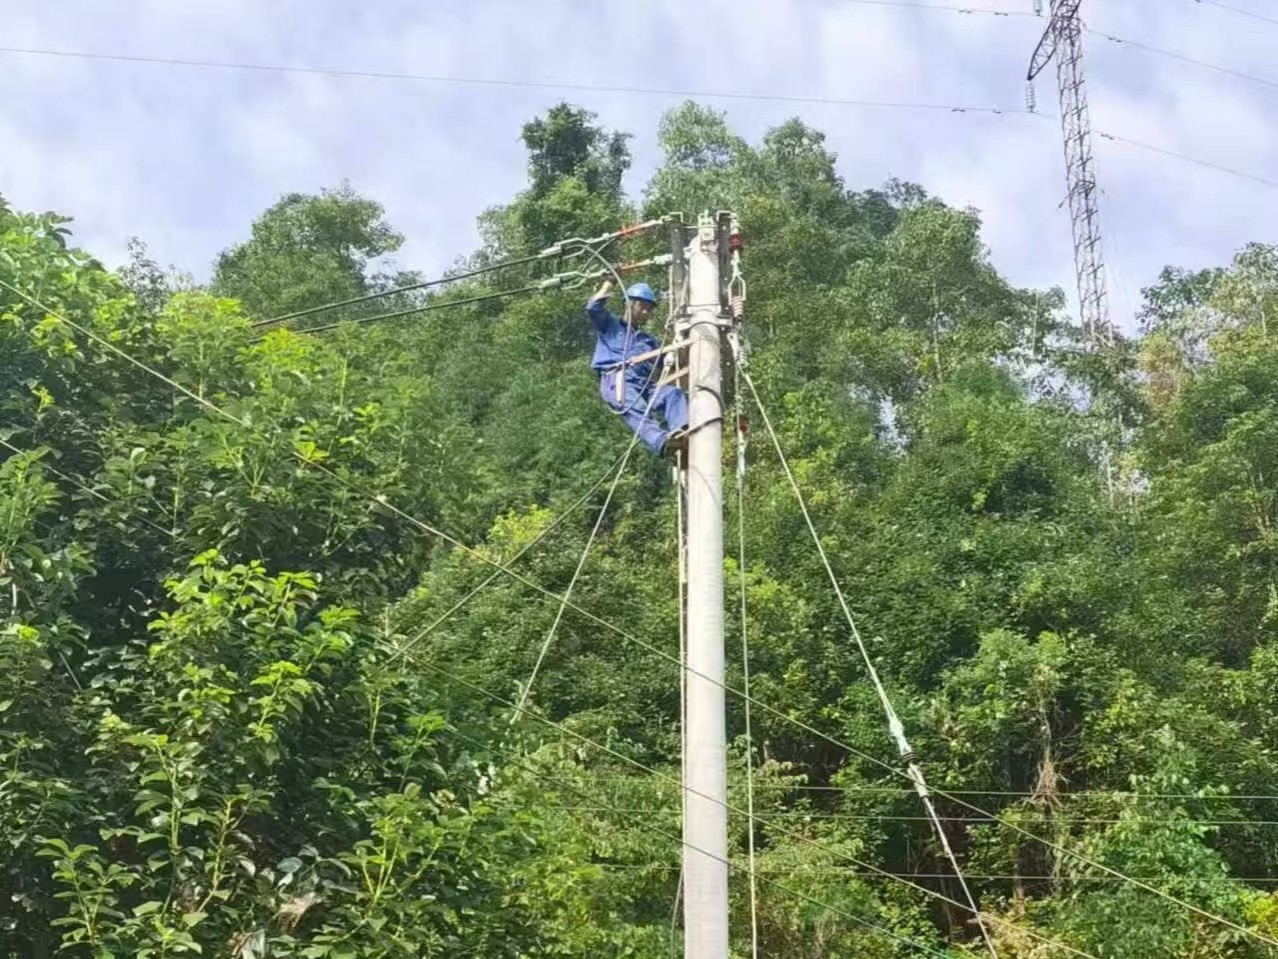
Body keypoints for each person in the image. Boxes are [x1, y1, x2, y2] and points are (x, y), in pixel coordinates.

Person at [586, 279, 688, 457]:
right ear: (628, 304)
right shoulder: (610, 325)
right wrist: (609, 283)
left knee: (673, 394)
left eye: (649, 309)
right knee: (636, 411)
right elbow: (593, 307)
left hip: (645, 386)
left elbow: (670, 363)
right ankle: (661, 441)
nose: (646, 312)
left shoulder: (647, 341)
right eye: (642, 306)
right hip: (619, 380)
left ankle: (683, 431)